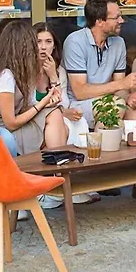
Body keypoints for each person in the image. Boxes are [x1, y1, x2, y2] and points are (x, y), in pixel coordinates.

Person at [0, 21, 68, 156]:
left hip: (14, 121)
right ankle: (56, 164)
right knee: (57, 126)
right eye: (34, 43)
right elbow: (10, 123)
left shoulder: (21, 70)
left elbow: (27, 107)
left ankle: (54, 163)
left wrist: (48, 100)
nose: (38, 48)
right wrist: (42, 103)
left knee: (56, 118)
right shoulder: (5, 75)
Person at [33, 22, 100, 207]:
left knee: (79, 122)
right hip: (32, 119)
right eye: (39, 41)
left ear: (54, 46)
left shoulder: (59, 71)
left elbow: (62, 103)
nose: (43, 47)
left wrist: (53, 76)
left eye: (48, 42)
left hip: (53, 117)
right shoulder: (26, 70)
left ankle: (73, 181)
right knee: (60, 123)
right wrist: (61, 111)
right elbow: (30, 105)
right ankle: (55, 185)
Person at [62, 0, 136, 130]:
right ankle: (103, 142)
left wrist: (128, 97)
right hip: (79, 104)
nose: (121, 21)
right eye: (116, 17)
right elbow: (80, 92)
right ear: (100, 21)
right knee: (114, 107)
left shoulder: (118, 43)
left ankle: (111, 140)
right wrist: (121, 85)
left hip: (110, 100)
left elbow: (120, 91)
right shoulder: (75, 42)